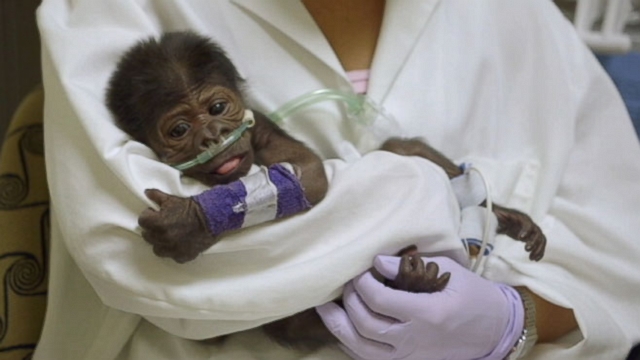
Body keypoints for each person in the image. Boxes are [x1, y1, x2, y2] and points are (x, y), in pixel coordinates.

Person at [34, 1, 640, 360]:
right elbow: (145, 259)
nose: (210, 136)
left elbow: (622, 262)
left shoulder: (516, 17)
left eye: (218, 112)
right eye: (181, 130)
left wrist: (514, 321)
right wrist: (431, 195)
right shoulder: (108, 15)